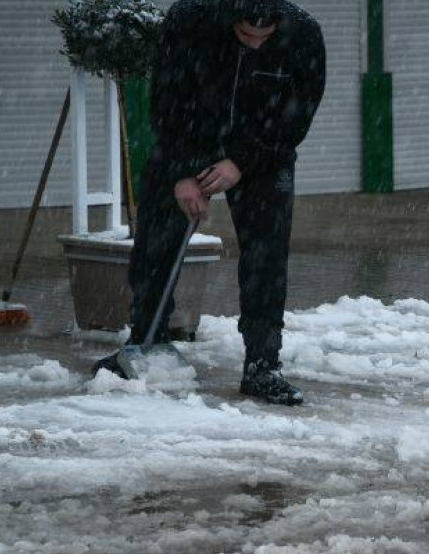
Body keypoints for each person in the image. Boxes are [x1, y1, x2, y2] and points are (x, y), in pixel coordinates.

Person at [93, 0, 326, 406]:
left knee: (266, 258)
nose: (254, 44)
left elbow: (297, 114)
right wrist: (183, 172)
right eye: (244, 35)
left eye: (263, 38)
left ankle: (263, 364)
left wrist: (242, 161)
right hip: (189, 142)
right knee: (157, 241)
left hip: (264, 153)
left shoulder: (303, 34)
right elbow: (167, 97)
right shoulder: (189, 21)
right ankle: (147, 342)